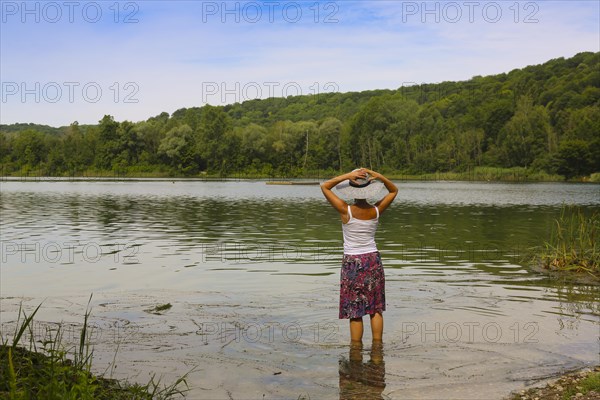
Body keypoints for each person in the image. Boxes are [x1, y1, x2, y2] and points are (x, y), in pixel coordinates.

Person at [321, 168, 398, 344]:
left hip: (352, 263)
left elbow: (325, 187)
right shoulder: (377, 210)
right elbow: (394, 190)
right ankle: (377, 351)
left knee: (355, 312)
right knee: (375, 309)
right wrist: (379, 176)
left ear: (351, 190)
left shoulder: (344, 210)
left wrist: (347, 176)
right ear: (369, 190)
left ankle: (356, 353)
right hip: (372, 260)